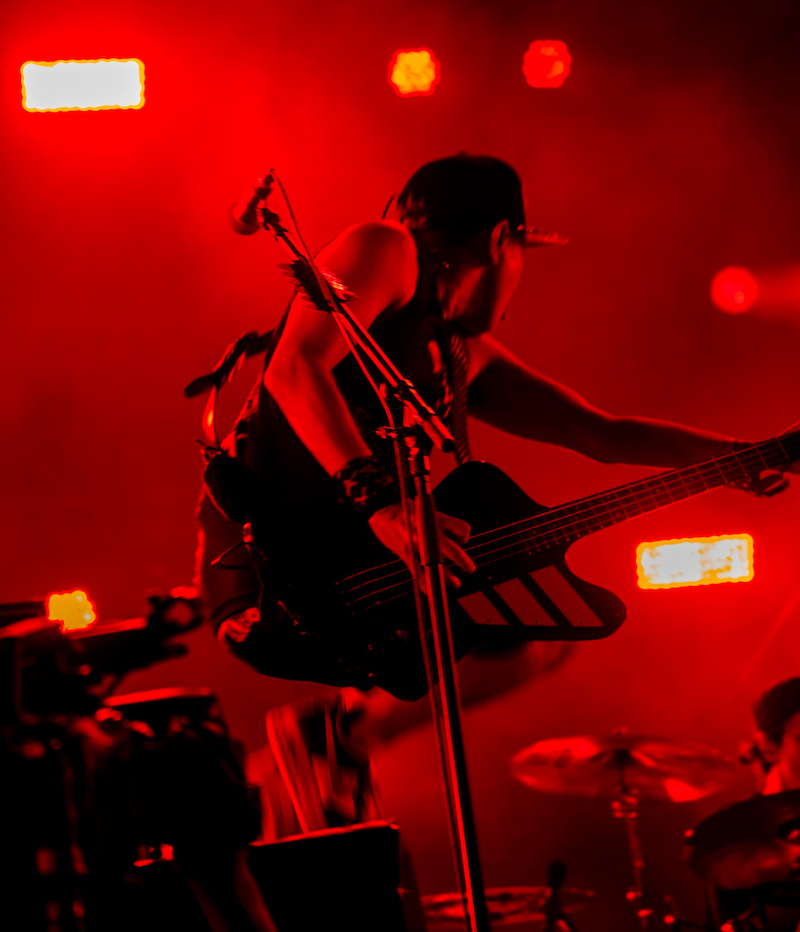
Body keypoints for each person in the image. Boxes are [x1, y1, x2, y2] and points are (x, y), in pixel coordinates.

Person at [194, 153, 793, 687]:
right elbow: (294, 368)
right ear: (501, 239)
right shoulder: (386, 247)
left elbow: (599, 433)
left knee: (525, 634)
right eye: (523, 255)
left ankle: (344, 728)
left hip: (348, 592)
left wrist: (743, 455)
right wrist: (385, 505)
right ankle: (342, 729)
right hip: (267, 576)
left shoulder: (456, 351)